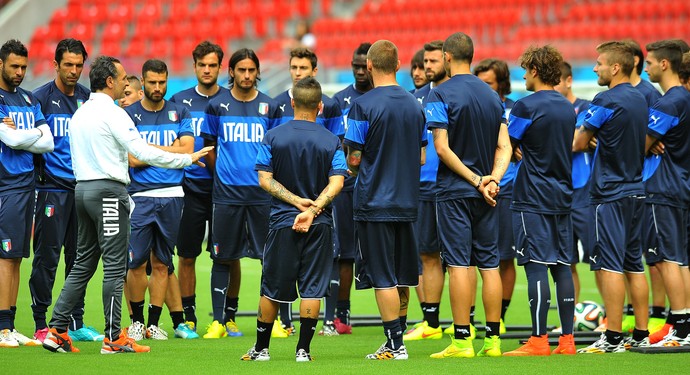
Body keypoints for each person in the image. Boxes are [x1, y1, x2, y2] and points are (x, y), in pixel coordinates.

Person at [41, 55, 210, 354]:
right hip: (108, 192)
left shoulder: (80, 113)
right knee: (116, 267)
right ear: (109, 82)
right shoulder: (116, 114)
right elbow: (142, 150)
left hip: (82, 191)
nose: (125, 83)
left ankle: (56, 330)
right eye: (121, 78)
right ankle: (113, 338)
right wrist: (187, 158)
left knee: (83, 263)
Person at [241, 77, 347, 361]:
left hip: (282, 222)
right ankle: (303, 350)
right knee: (313, 287)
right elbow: (337, 183)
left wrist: (294, 202)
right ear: (320, 107)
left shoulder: (273, 136)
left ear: (292, 103)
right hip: (319, 223)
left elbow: (265, 180)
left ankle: (261, 349)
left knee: (273, 286)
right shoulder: (332, 140)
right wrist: (312, 210)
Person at [426, 32, 511, 359]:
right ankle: (493, 342)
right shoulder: (492, 96)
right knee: (489, 264)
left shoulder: (439, 94)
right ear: (471, 57)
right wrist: (493, 181)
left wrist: (477, 180)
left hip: (456, 191)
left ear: (447, 57)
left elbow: (442, 148)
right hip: (488, 193)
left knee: (459, 265)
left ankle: (462, 341)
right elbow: (505, 146)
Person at [343, 40, 425, 360]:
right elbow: (420, 157)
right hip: (407, 200)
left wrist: (363, 170)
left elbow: (353, 159)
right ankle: (397, 338)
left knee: (382, 276)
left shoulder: (362, 105)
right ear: (400, 63)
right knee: (403, 273)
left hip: (374, 200)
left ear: (369, 67)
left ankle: (394, 344)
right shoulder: (415, 104)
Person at [573, 41, 649, 354]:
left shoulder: (605, 98)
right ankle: (641, 333)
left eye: (600, 63)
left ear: (615, 67)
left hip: (610, 193)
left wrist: (589, 140)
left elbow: (578, 141)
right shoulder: (641, 98)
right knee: (635, 265)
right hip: (636, 190)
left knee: (610, 266)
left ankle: (613, 338)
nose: (595, 68)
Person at [201, 48, 280, 339]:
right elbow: (209, 148)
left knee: (268, 258)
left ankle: (274, 323)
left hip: (261, 195)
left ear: (257, 72)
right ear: (231, 71)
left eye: (251, 70)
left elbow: (276, 152)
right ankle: (220, 321)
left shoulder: (271, 107)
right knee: (222, 257)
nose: (247, 76)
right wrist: (224, 175)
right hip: (226, 195)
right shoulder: (216, 106)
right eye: (241, 70)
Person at [503, 45, 576, 356]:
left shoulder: (524, 106)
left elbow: (508, 144)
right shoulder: (565, 106)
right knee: (562, 266)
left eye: (525, 69)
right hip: (563, 195)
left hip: (532, 196)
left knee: (535, 266)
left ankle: (537, 341)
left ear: (534, 71)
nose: (522, 75)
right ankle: (568, 341)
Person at [29, 38, 101, 344]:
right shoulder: (40, 98)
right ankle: (41, 321)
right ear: (55, 64)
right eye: (67, 64)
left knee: (79, 257)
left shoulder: (89, 99)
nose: (73, 70)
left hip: (82, 190)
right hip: (52, 190)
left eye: (78, 64)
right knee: (47, 257)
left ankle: (76, 321)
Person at [123, 59, 198, 341]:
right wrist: (171, 152)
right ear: (142, 82)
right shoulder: (129, 114)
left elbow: (187, 152)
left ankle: (154, 323)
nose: (157, 88)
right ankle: (137, 322)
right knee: (135, 263)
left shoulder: (181, 111)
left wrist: (148, 150)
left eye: (162, 82)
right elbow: (132, 158)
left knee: (162, 263)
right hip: (139, 197)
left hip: (172, 196)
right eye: (152, 82)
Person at [272, 47, 344, 337]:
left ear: (314, 71)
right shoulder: (277, 106)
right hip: (308, 200)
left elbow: (336, 144)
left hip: (314, 192)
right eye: (294, 67)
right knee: (287, 267)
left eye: (303, 68)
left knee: (326, 260)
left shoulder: (331, 107)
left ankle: (328, 320)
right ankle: (287, 324)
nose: (298, 72)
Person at [169, 41, 228, 331]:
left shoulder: (231, 100)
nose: (207, 70)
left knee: (228, 254)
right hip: (190, 189)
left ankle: (227, 316)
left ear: (220, 67)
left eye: (212, 65)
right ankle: (188, 316)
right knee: (187, 254)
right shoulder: (179, 101)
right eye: (202, 65)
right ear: (194, 66)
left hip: (224, 192)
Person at [0, 39, 54, 348]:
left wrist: (20, 136)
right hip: (5, 184)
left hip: (25, 184)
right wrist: (25, 136)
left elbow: (47, 142)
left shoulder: (28, 98)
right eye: (14, 66)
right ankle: (2, 328)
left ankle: (9, 322)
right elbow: (7, 137)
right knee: (5, 256)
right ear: (1, 64)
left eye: (23, 67)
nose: (20, 72)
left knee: (17, 256)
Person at [643, 40, 690, 347]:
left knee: (668, 258)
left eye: (649, 62)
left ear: (664, 64)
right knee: (682, 259)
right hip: (681, 183)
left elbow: (640, 145)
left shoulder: (669, 102)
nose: (646, 67)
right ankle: (685, 323)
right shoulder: (685, 98)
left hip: (664, 186)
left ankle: (682, 326)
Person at [403, 40, 448, 342]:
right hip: (421, 185)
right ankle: (431, 322)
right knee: (427, 254)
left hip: (453, 184)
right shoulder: (412, 100)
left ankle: (466, 322)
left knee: (462, 257)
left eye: (432, 62)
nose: (427, 68)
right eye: (423, 63)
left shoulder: (455, 94)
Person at [622, 39, 664, 335]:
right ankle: (632, 312)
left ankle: (660, 314)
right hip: (628, 181)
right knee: (629, 253)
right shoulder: (621, 93)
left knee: (654, 253)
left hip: (647, 179)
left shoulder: (649, 93)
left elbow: (655, 136)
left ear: (631, 61)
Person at [331, 42, 372, 335]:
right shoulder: (338, 101)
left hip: (380, 185)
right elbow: (334, 143)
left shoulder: (388, 98)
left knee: (389, 252)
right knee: (344, 253)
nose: (359, 71)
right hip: (346, 186)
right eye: (355, 65)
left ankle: (403, 318)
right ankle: (341, 315)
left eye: (363, 66)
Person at [473, 58, 516, 334]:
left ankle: (498, 318)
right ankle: (467, 319)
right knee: (468, 258)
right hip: (475, 186)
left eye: (488, 83)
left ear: (501, 84)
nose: (483, 88)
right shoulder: (474, 107)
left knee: (504, 257)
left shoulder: (513, 109)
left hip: (506, 187)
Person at [554, 61, 593, 305]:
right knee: (565, 262)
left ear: (569, 80)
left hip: (584, 193)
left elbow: (578, 143)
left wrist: (547, 146)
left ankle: (611, 319)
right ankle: (570, 316)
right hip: (558, 193)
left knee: (600, 261)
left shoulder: (585, 107)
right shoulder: (550, 110)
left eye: (557, 80)